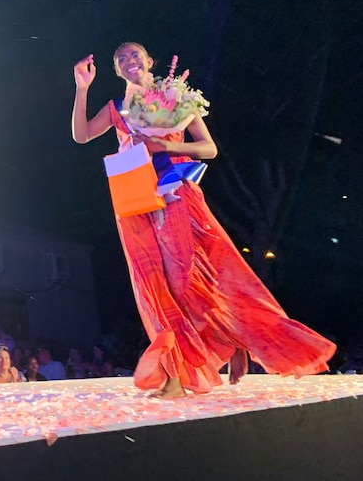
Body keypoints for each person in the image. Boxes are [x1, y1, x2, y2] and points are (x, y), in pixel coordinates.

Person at [71, 44, 336, 398]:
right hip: (134, 200)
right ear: (118, 72)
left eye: (136, 55)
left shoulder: (175, 100)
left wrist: (164, 147)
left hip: (175, 194)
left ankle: (232, 336)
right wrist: (82, 88)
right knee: (152, 287)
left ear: (150, 62)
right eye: (122, 60)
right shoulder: (116, 109)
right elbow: (82, 135)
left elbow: (208, 148)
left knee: (182, 282)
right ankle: (176, 376)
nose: (130, 61)